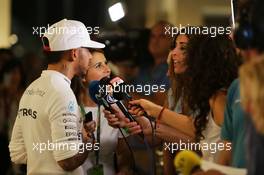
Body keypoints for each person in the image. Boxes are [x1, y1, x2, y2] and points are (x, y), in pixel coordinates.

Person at [104, 33, 240, 163]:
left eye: (185, 49)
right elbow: (202, 137)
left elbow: (221, 152)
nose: (174, 53)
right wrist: (150, 126)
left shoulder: (220, 98)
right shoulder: (209, 96)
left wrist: (155, 111)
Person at [9, 19, 105, 175]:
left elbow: (18, 153)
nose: (90, 56)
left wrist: (45, 158)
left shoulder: (31, 89)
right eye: (87, 49)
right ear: (74, 53)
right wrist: (88, 142)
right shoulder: (62, 92)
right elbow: (67, 162)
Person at [71, 49, 132, 175]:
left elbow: (125, 154)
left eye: (106, 63)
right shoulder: (70, 108)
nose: (108, 69)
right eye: (99, 66)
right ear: (83, 75)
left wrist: (125, 170)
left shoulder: (116, 107)